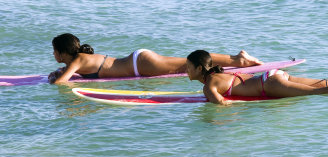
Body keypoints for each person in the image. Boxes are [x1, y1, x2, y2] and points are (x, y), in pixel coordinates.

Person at [186, 50, 328, 105]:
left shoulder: (208, 85)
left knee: (318, 92)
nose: (186, 71)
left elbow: (221, 104)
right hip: (272, 75)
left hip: (270, 85)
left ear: (198, 68)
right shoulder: (220, 74)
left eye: (188, 67)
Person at [49, 33, 263, 84]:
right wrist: (61, 71)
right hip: (138, 60)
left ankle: (238, 60)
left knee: (186, 63)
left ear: (61, 52)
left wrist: (55, 78)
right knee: (184, 63)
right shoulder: (79, 59)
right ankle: (236, 59)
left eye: (54, 51)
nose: (53, 55)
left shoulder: (77, 61)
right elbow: (71, 73)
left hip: (140, 64)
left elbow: (61, 83)